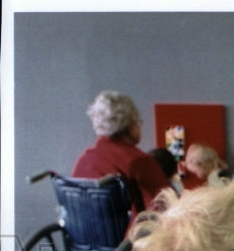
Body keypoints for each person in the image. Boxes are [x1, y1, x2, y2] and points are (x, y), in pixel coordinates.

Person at [72, 90, 170, 218]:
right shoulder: (139, 161)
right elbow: (168, 206)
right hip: (130, 236)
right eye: (138, 122)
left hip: (84, 236)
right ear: (130, 127)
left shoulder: (84, 161)